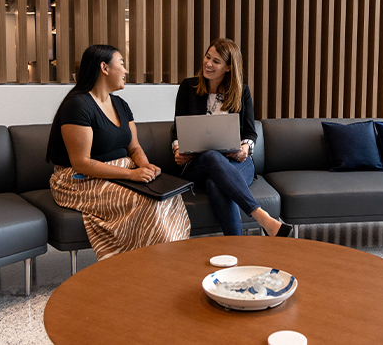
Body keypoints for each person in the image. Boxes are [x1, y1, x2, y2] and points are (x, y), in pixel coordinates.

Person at [47, 44, 190, 260]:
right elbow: (81, 163)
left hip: (121, 172)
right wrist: (132, 174)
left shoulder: (121, 105)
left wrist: (144, 165)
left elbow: (134, 147)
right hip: (78, 180)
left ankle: (172, 258)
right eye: (121, 64)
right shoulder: (77, 105)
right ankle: (147, 263)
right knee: (145, 201)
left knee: (168, 196)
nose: (125, 71)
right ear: (104, 67)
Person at [171, 38, 292, 237]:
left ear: (228, 67)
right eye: (207, 57)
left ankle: (237, 246)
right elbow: (177, 128)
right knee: (211, 156)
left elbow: (250, 132)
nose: (208, 64)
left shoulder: (241, 91)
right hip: (199, 164)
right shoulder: (188, 88)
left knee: (215, 184)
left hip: (235, 163)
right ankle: (262, 217)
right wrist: (177, 149)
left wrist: (245, 148)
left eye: (216, 61)